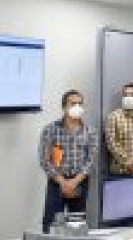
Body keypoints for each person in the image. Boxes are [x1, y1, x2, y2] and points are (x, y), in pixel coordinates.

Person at [39, 90, 98, 232]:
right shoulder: (50, 130)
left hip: (80, 181)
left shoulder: (90, 131)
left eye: (80, 104)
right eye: (73, 104)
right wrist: (63, 182)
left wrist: (74, 182)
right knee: (52, 224)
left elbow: (91, 160)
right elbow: (44, 159)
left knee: (77, 226)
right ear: (64, 107)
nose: (77, 107)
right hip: (57, 182)